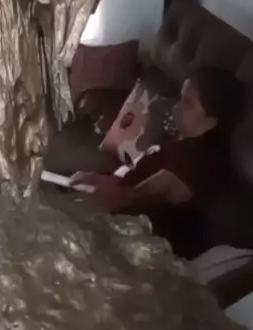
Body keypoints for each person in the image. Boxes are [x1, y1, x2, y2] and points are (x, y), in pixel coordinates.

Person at [70, 67, 245, 258]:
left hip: (135, 237)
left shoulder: (197, 157)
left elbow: (135, 197)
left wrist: (101, 195)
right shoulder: (184, 143)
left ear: (211, 120)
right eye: (180, 98)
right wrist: (103, 180)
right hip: (119, 209)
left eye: (187, 103)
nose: (176, 107)